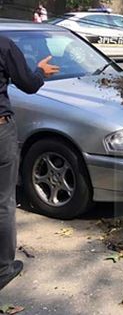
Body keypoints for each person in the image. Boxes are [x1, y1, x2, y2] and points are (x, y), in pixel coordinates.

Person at [0, 36, 59, 291]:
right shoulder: (3, 45)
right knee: (3, 201)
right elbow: (29, 84)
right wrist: (40, 71)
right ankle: (3, 268)